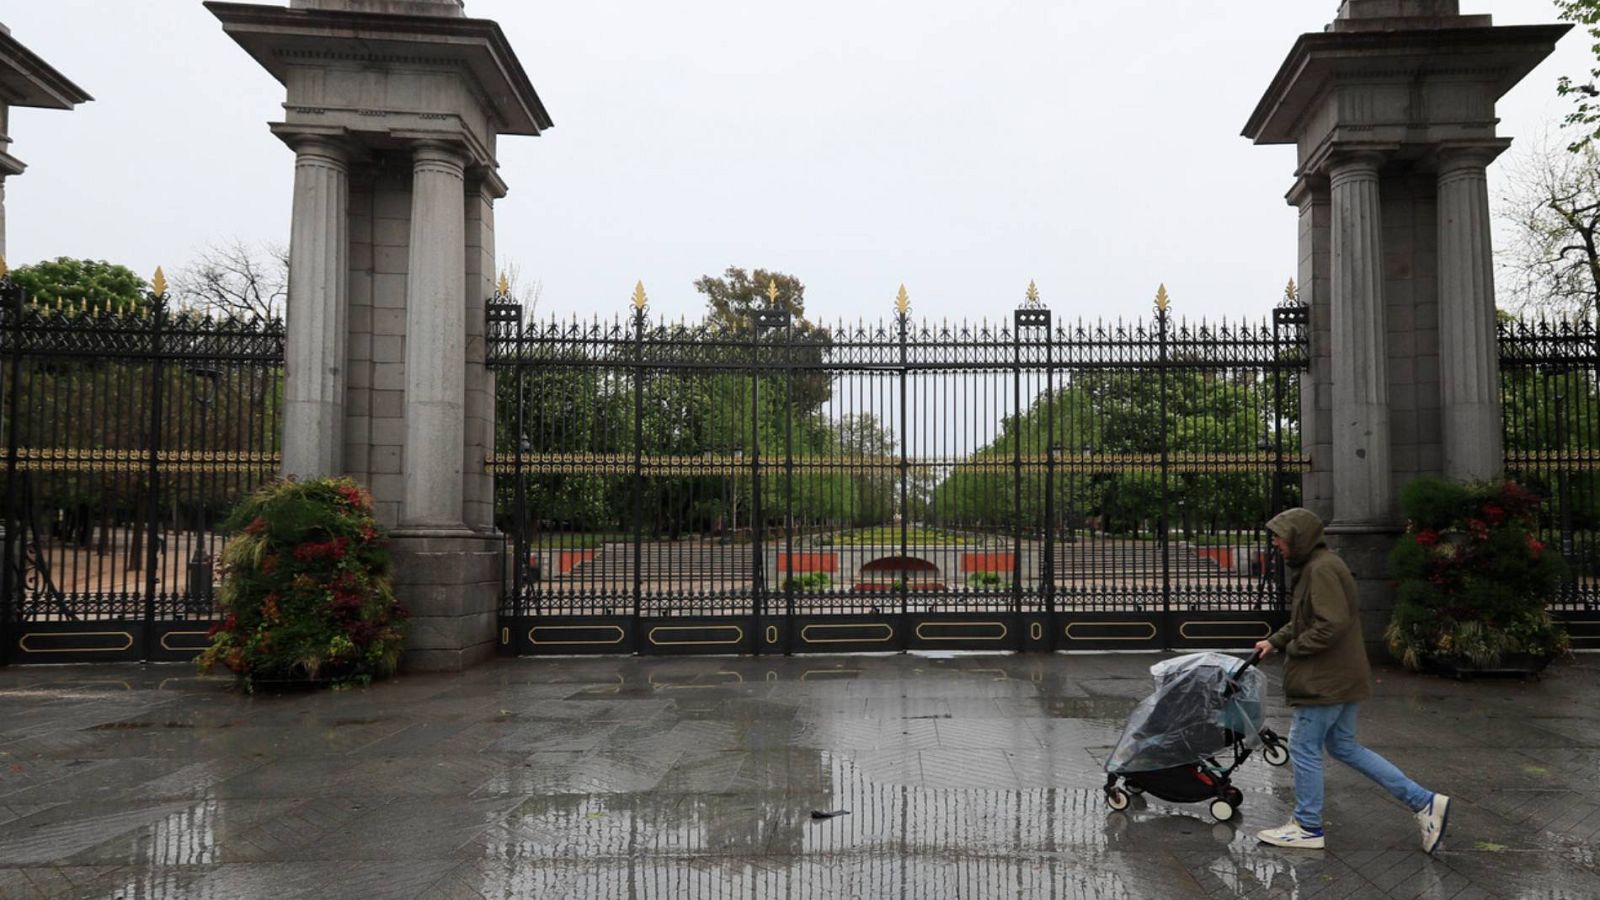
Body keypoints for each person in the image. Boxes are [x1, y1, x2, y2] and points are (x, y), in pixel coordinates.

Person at [1251, 507, 1450, 853]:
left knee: (1303, 747)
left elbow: (1330, 624)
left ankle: (1308, 825)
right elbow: (1307, 620)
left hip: (1324, 678)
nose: (1276, 543)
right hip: (1340, 674)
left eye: (1280, 536)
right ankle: (1423, 801)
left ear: (1298, 536)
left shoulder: (1321, 570)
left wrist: (1295, 648)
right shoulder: (1320, 565)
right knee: (1344, 746)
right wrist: (1275, 641)